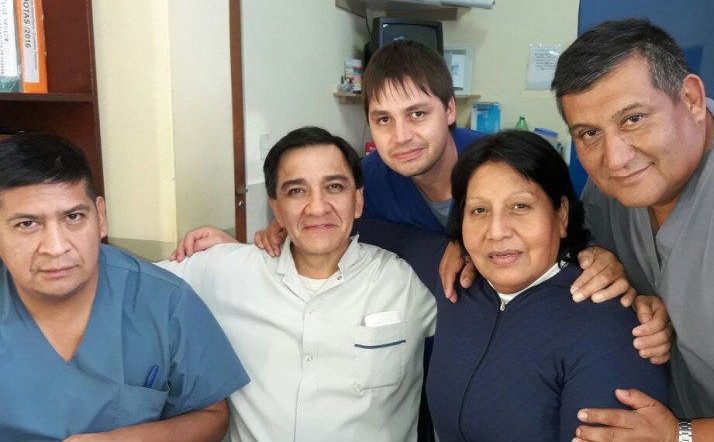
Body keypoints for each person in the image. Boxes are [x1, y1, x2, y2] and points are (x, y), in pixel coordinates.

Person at [173, 40, 633, 308]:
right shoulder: (366, 182)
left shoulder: (505, 166)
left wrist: (600, 258)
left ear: (449, 110)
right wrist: (243, 250)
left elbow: (577, 241)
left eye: (417, 114)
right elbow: (320, 237)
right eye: (383, 119)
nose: (401, 136)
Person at [549, 19, 714, 442]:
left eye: (633, 119)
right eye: (589, 133)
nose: (615, 158)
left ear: (691, 99)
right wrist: (602, 262)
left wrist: (681, 436)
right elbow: (585, 244)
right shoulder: (615, 187)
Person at [357, 130, 669, 441]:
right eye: (479, 211)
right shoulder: (456, 276)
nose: (496, 231)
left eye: (520, 206)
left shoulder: (609, 329)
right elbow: (374, 231)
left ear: (561, 215)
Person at [157, 127, 437, 441]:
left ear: (358, 200)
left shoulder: (405, 281)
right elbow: (128, 284)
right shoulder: (227, 271)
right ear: (276, 209)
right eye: (296, 191)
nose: (317, 207)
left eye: (334, 187)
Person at [0, 133, 249, 441]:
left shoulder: (166, 303)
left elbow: (212, 416)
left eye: (74, 217)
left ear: (100, 216)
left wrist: (121, 440)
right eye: (27, 224)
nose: (56, 247)